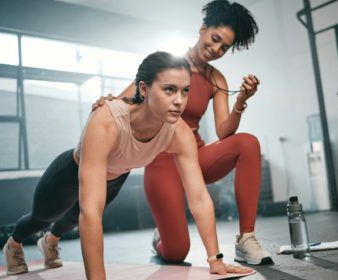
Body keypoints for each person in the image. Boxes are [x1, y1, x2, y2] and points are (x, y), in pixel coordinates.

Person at [2, 51, 252, 279]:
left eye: (185, 91)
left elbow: (198, 198)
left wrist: (215, 260)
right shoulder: (107, 121)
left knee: (70, 221)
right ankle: (13, 245)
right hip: (70, 171)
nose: (179, 101)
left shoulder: (180, 133)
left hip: (115, 176)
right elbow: (91, 212)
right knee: (43, 218)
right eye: (169, 90)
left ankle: (50, 242)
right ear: (144, 89)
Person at [93, 0, 273, 266]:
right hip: (161, 160)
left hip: (195, 156)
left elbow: (225, 132)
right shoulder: (167, 65)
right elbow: (126, 101)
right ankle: (160, 237)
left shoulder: (217, 79)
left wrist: (240, 102)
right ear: (202, 29)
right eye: (214, 39)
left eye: (224, 47)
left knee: (247, 143)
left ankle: (246, 239)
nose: (216, 49)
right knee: (176, 252)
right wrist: (106, 103)